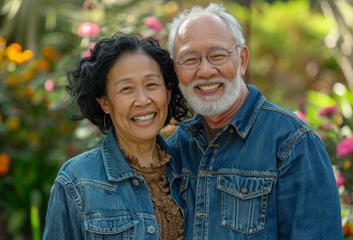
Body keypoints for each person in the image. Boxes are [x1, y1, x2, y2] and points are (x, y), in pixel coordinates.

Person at [165, 3, 343, 239]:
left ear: (242, 59)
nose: (205, 71)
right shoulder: (178, 146)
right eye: (190, 59)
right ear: (176, 70)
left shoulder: (293, 143)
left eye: (217, 55)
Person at [43, 32, 188, 239]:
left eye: (152, 85)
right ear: (105, 103)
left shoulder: (190, 170)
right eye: (126, 89)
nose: (142, 100)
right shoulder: (77, 181)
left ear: (168, 93)